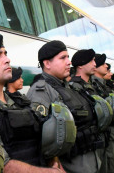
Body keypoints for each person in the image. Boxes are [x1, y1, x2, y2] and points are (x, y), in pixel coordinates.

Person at [0, 34, 65, 172]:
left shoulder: (20, 102)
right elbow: (2, 165)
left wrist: (54, 162)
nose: (7, 60)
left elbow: (43, 141)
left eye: (5, 54)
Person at [27, 44, 100, 173]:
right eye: (63, 58)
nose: (69, 62)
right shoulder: (41, 90)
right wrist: (54, 162)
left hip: (88, 158)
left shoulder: (68, 87)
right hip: (69, 165)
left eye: (68, 57)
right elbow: (38, 134)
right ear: (47, 64)